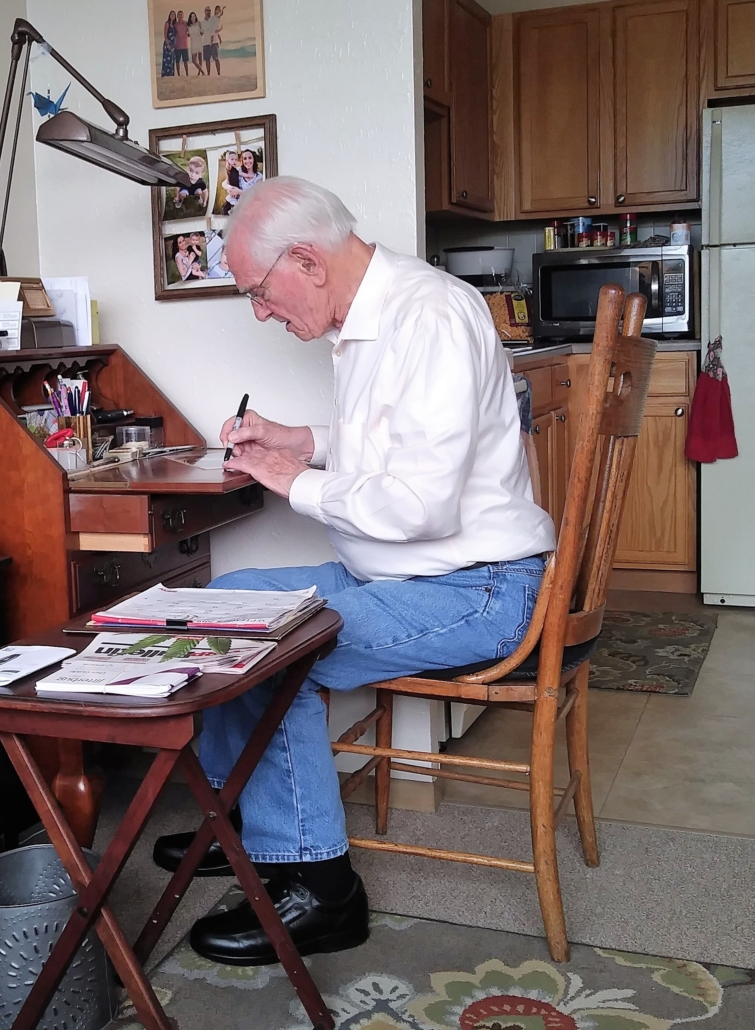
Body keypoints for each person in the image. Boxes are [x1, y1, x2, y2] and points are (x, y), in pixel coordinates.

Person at [151, 176, 555, 966]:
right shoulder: (382, 311)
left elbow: (420, 508)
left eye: (259, 294)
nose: (261, 313)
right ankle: (248, 826)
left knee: (269, 648)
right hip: (411, 578)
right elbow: (393, 437)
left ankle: (321, 889)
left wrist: (289, 482)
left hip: (477, 588)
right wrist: (299, 439)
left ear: (306, 258)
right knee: (218, 607)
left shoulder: (429, 316)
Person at [200, 4, 222, 75]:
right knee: (207, 60)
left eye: (209, 10)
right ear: (204, 11)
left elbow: (217, 24)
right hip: (205, 42)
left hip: (214, 42)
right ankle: (208, 74)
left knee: (216, 58)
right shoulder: (202, 22)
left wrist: (219, 30)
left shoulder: (213, 19)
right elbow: (201, 32)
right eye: (207, 10)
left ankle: (219, 73)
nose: (208, 12)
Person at [220, 149, 241, 215]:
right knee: (227, 208)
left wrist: (248, 175)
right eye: (232, 159)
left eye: (236, 160)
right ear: (227, 161)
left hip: (238, 193)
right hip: (232, 192)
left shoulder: (236, 170)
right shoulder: (230, 168)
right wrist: (231, 188)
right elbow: (224, 183)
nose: (234, 161)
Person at [173, 9, 190, 75]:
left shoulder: (186, 24)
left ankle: (187, 74)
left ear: (183, 16)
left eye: (181, 15)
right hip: (177, 46)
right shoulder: (175, 25)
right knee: (177, 62)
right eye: (179, 15)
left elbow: (190, 31)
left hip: (185, 45)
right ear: (177, 16)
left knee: (185, 61)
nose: (180, 16)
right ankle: (179, 74)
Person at [161, 11, 176, 77]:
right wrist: (168, 44)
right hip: (168, 44)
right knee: (167, 60)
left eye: (174, 15)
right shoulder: (167, 24)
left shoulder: (174, 25)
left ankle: (171, 74)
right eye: (171, 14)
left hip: (173, 44)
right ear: (169, 15)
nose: (172, 16)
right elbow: (165, 35)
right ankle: (165, 74)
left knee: (172, 60)